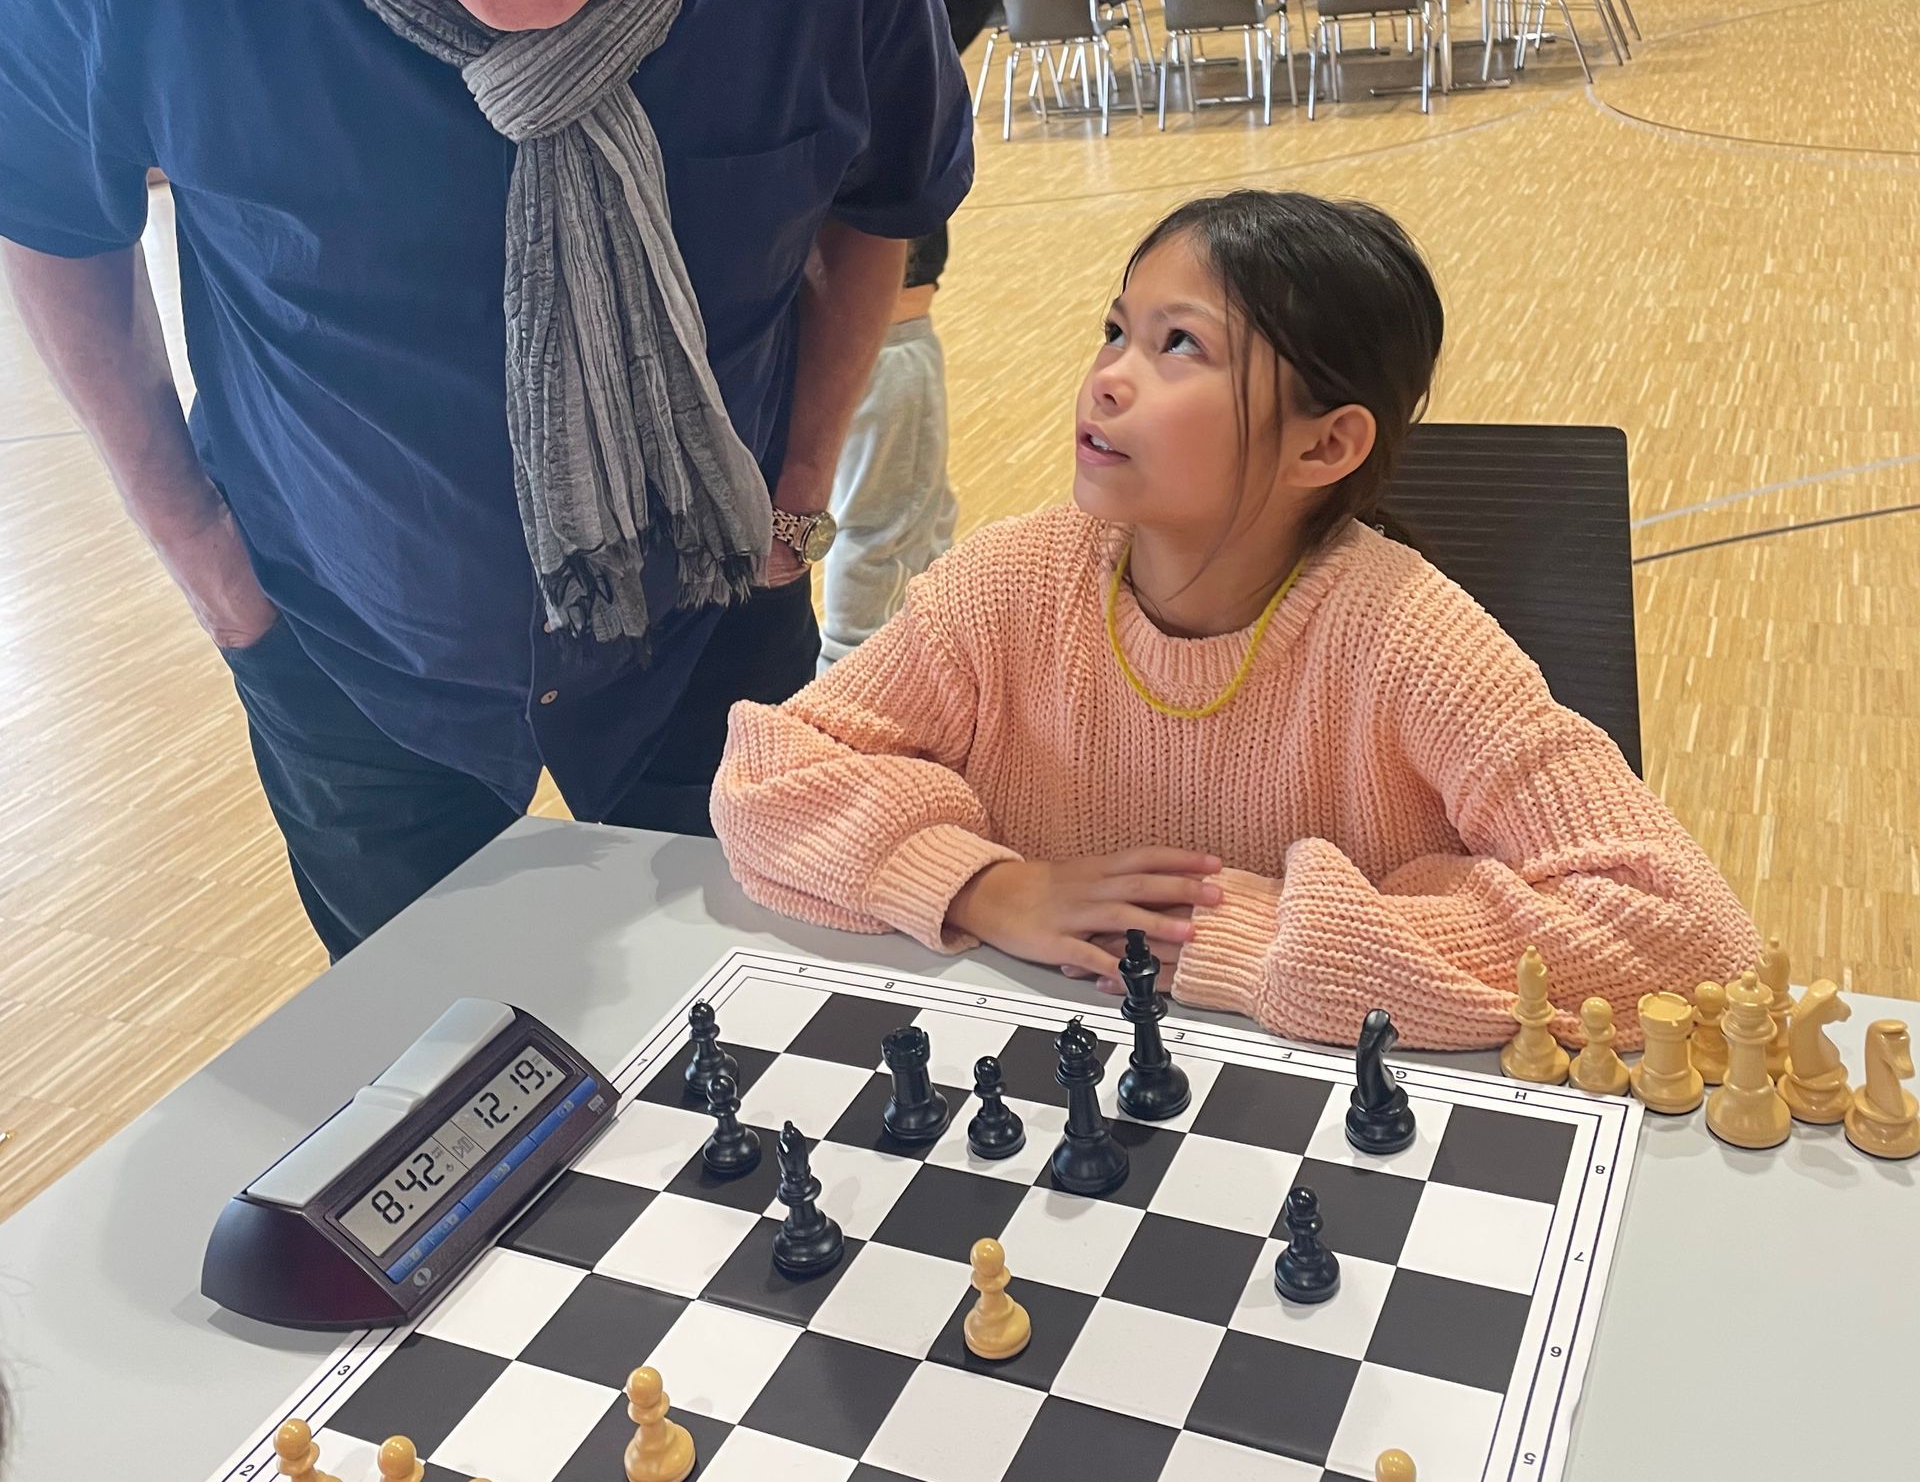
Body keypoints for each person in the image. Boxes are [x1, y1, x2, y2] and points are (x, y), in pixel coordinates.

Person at [0, 0, 971, 961]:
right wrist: (204, 563)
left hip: (713, 616)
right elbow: (52, 215)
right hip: (342, 651)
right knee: (442, 1068)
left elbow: (887, 202)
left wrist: (795, 502)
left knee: (751, 1026)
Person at [712, 190, 1758, 1048]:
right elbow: (768, 772)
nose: (1107, 379)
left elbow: (1689, 934)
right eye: (1116, 331)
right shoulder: (1012, 581)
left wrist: (1261, 939)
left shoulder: (1410, 638)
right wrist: (986, 885)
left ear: (1325, 446)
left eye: (1179, 345)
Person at [819, 0, 1001, 670]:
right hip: (883, 322)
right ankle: (851, 694)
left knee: (915, 518)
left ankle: (935, 686)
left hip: (818, 310)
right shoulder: (852, 39)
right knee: (884, 528)